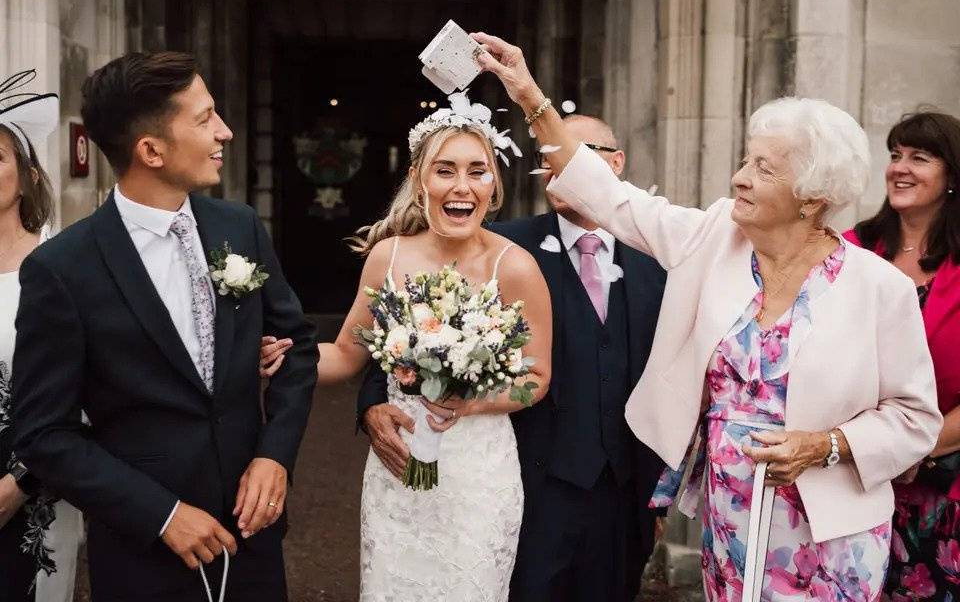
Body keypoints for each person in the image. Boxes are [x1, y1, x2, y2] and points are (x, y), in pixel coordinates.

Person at [472, 32, 943, 601]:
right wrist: (529, 96)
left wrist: (828, 444)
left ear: (812, 196)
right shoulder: (715, 237)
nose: (740, 177)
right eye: (746, 160)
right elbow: (609, 196)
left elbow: (917, 418)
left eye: (763, 169)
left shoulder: (879, 287)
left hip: (830, 530)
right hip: (730, 514)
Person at [10, 52, 318, 601]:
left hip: (253, 538)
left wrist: (276, 455)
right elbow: (43, 433)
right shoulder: (62, 270)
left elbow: (297, 350)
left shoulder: (239, 227)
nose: (223, 131)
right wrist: (162, 515)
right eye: (204, 119)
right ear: (150, 150)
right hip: (142, 554)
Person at [347, 114, 668, 602]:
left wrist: (664, 483)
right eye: (550, 158)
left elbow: (675, 373)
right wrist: (372, 405)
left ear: (616, 164)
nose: (561, 170)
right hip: (529, 478)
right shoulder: (500, 245)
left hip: (623, 490)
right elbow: (394, 337)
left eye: (577, 158)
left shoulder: (658, 259)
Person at [311, 93, 552, 601]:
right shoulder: (387, 256)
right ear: (420, 180)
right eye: (445, 170)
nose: (461, 186)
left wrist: (472, 401)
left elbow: (536, 378)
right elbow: (345, 355)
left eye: (477, 171)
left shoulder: (516, 267)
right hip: (399, 471)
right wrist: (268, 356)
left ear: (494, 185)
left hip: (478, 475)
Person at [844, 111, 960, 601]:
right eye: (895, 155)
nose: (900, 167)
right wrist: (875, 448)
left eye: (920, 157)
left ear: (952, 176)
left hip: (940, 490)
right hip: (852, 481)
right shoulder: (850, 251)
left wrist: (910, 447)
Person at [0, 70, 83, 601]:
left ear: (27, 174)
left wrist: (17, 486)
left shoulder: (63, 266)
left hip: (35, 487)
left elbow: (86, 393)